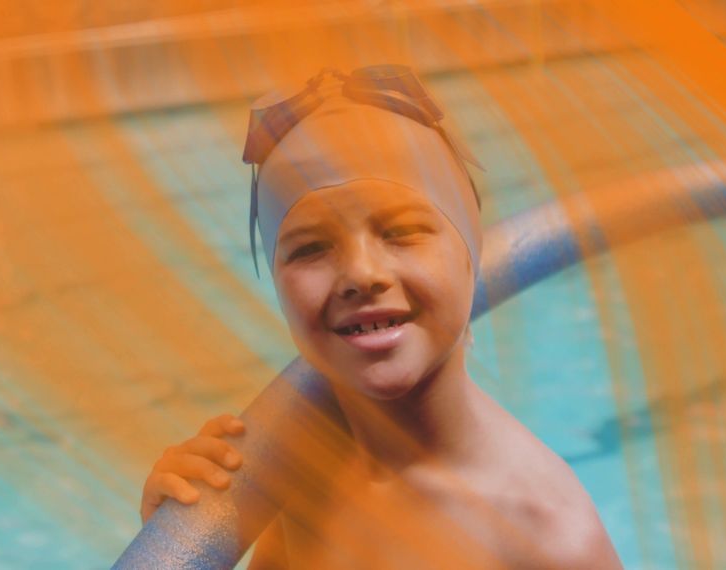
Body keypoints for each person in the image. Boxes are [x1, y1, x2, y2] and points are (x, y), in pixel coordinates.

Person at [139, 65, 622, 568]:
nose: (360, 274)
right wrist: (172, 540)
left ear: (470, 252)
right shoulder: (302, 468)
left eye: (402, 231)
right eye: (310, 248)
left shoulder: (548, 539)